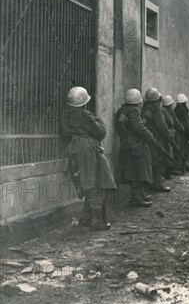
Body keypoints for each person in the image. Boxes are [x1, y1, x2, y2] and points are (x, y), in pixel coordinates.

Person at [60, 86, 116, 231]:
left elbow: (65, 135)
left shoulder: (65, 116)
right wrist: (98, 120)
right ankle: (97, 220)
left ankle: (86, 218)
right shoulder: (86, 116)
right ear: (84, 102)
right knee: (94, 182)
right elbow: (101, 132)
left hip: (74, 150)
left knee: (86, 181)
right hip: (88, 150)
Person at [116, 88, 168, 207]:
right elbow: (139, 127)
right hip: (136, 144)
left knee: (132, 170)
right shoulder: (134, 111)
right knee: (138, 171)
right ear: (138, 101)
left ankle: (140, 194)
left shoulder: (121, 111)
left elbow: (121, 127)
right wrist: (150, 137)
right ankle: (136, 198)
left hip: (125, 143)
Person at [142, 88, 178, 191]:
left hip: (148, 138)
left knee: (151, 161)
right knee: (160, 161)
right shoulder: (156, 108)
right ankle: (158, 184)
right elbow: (162, 125)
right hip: (158, 138)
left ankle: (151, 183)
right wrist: (169, 136)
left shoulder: (144, 107)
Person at [161, 95, 184, 177]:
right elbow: (174, 122)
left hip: (167, 134)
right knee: (171, 152)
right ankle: (170, 170)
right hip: (169, 134)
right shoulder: (167, 111)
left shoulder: (162, 110)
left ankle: (169, 170)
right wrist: (182, 129)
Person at [174, 94, 189, 171]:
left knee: (179, 149)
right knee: (186, 149)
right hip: (184, 133)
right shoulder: (183, 111)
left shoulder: (175, 110)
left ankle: (181, 165)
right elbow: (186, 123)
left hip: (178, 132)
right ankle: (184, 164)